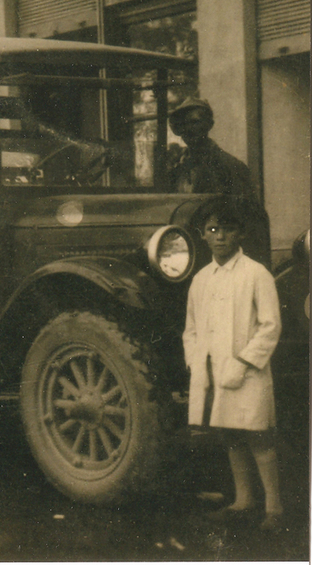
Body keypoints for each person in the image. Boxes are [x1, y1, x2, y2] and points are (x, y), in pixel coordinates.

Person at [182, 196, 283, 531]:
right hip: (214, 372)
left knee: (258, 436)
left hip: (248, 372)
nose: (220, 236)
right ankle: (243, 501)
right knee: (230, 434)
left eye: (227, 230)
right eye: (213, 229)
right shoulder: (201, 279)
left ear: (240, 234)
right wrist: (197, 364)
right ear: (203, 235)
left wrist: (243, 362)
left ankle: (274, 508)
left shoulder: (257, 274)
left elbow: (270, 326)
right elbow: (191, 330)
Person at [167, 97, 270, 263]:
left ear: (209, 125)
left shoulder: (231, 167)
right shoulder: (176, 170)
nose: (189, 129)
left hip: (221, 257)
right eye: (183, 124)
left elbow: (251, 222)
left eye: (195, 122)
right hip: (184, 255)